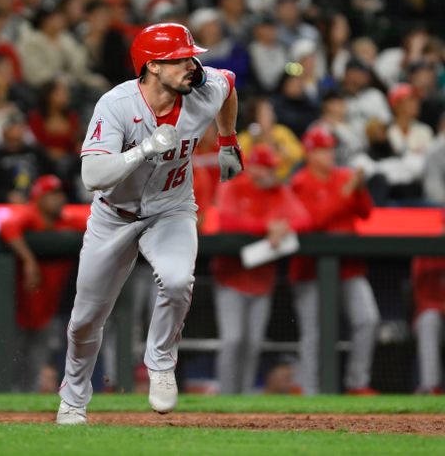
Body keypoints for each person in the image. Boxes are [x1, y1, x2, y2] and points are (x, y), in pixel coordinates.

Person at [56, 22, 243, 425]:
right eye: (181, 59)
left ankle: (160, 362)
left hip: (171, 209)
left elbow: (228, 84)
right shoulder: (116, 104)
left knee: (178, 281)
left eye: (193, 57)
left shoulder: (204, 85)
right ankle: (73, 400)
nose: (192, 65)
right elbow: (92, 176)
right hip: (113, 216)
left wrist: (228, 138)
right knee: (84, 321)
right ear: (153, 66)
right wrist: (142, 149)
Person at [211, 145, 311, 394]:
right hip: (231, 277)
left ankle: (242, 397)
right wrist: (266, 226)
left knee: (253, 343)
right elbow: (226, 221)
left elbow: (305, 219)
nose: (270, 173)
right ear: (252, 168)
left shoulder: (279, 191)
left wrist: (284, 227)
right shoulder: (234, 184)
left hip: (262, 279)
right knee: (233, 340)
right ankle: (224, 396)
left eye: (272, 168)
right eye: (265, 167)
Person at [289, 126, 380, 395]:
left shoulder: (343, 176)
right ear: (309, 152)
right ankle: (308, 387)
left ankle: (357, 382)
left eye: (330, 148)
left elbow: (365, 213)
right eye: (322, 149)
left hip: (349, 268)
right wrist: (346, 192)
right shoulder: (300, 181)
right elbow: (313, 220)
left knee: (368, 320)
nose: (329, 154)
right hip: (310, 270)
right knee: (313, 332)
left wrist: (360, 190)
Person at [0, 175, 87, 391]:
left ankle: (26, 413)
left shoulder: (65, 220)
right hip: (17, 307)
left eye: (61, 194)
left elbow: (97, 226)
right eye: (53, 195)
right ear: (38, 198)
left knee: (34, 367)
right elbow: (6, 227)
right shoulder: (31, 215)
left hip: (48, 308)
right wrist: (29, 260)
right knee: (9, 366)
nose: (60, 199)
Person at [410, 257, 445, 394]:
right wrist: (441, 306)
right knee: (428, 320)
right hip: (434, 315)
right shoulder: (425, 258)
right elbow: (422, 298)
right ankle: (431, 387)